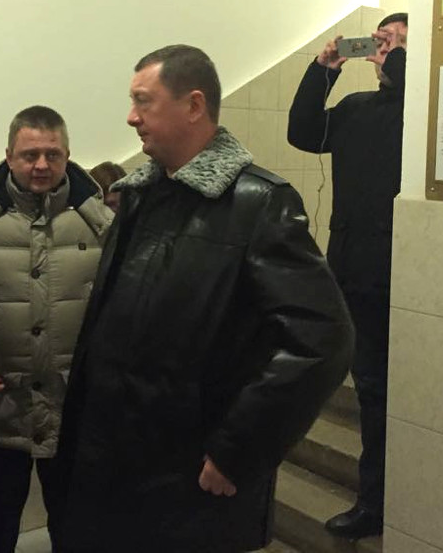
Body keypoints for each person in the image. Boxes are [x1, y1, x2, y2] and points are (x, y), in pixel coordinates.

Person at [57, 44, 353, 553]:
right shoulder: (142, 196)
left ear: (193, 105)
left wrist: (238, 449)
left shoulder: (259, 203)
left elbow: (322, 341)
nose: (131, 117)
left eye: (143, 101)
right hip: (113, 465)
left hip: (187, 481)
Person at [0, 105, 112, 553]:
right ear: (9, 156)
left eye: (52, 154)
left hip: (74, 411)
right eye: (29, 155)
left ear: (67, 157)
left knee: (79, 532)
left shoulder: (102, 226)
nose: (41, 165)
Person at [286, 12, 408, 539]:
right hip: (356, 273)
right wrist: (323, 69)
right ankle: (375, 500)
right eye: (383, 40)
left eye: (399, 43)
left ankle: (392, 494)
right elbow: (302, 132)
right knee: (372, 393)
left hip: (411, 275)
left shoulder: (425, 112)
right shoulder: (357, 108)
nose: (386, 49)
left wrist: (399, 63)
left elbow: (413, 101)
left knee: (398, 394)